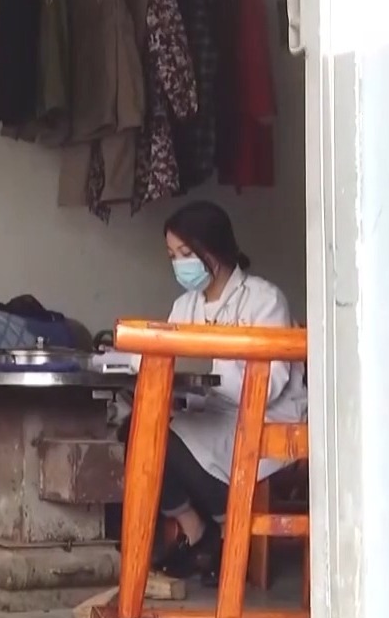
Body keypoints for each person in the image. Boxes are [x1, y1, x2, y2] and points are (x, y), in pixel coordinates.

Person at [119, 200, 307, 586]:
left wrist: (209, 383)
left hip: (266, 416)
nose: (179, 264)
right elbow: (163, 355)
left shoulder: (263, 300)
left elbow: (271, 382)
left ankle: (228, 532)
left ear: (214, 248)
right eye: (173, 256)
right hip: (211, 414)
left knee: (168, 441)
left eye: (186, 253)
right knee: (136, 431)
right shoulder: (185, 306)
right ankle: (197, 531)